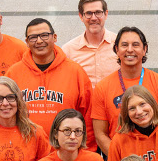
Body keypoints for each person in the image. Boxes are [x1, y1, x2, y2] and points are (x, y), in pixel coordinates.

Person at [6, 18, 95, 150]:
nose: (39, 41)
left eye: (44, 35)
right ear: (26, 42)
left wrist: (86, 149)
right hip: (25, 151)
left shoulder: (75, 72)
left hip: (65, 153)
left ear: (54, 37)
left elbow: (88, 114)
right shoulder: (13, 73)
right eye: (33, 37)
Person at [91, 26, 158, 152]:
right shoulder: (102, 87)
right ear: (116, 49)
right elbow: (100, 134)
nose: (130, 50)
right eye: (124, 45)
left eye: (136, 45)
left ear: (144, 49)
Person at [63, 0, 117, 83]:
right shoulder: (68, 50)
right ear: (81, 16)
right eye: (88, 13)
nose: (93, 18)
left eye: (98, 13)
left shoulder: (120, 44)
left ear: (106, 14)